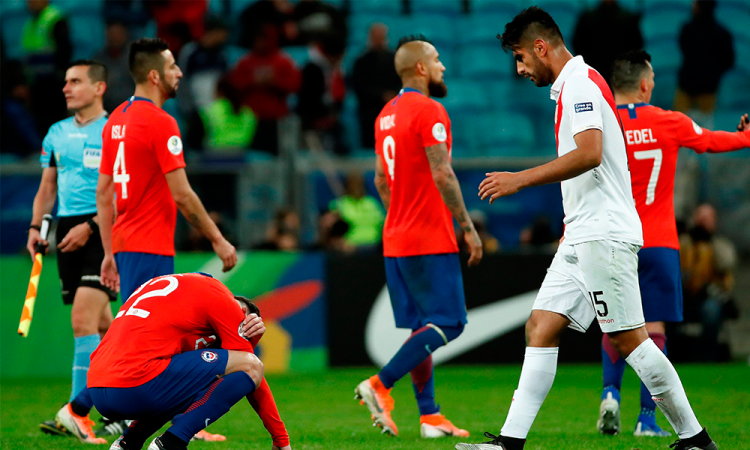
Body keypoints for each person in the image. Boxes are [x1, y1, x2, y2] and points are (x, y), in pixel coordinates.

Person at [456, 8, 718, 450]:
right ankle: (509, 443)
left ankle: (696, 439)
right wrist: (568, 224)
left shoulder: (580, 83)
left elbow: (590, 153)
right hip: (582, 232)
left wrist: (520, 179)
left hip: (603, 232)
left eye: (520, 57)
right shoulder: (575, 84)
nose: (519, 69)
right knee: (540, 325)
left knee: (630, 340)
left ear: (541, 47)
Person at [599, 49, 750, 437]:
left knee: (615, 324)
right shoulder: (669, 121)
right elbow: (712, 142)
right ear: (645, 84)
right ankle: (646, 420)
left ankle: (610, 395)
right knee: (653, 329)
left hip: (613, 240)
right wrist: (745, 136)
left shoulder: (600, 124)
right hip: (658, 242)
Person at [355, 34, 483, 439]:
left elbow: (381, 179)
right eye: (437, 59)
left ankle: (430, 417)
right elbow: (442, 173)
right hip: (428, 236)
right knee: (451, 322)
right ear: (422, 68)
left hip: (396, 237)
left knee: (422, 328)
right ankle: (379, 384)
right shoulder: (429, 110)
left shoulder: (385, 115)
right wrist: (468, 227)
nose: (443, 66)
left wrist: (400, 213)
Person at [55, 272, 292, 450]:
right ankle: (171, 443)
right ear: (242, 310)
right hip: (135, 386)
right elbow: (250, 367)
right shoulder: (224, 300)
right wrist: (281, 439)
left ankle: (128, 443)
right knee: (251, 366)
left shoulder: (180, 292)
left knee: (186, 379)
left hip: (98, 391)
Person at [97, 37, 237, 303]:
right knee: (148, 326)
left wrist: (107, 253)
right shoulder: (161, 123)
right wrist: (217, 239)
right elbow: (182, 194)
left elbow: (104, 193)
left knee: (138, 321)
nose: (179, 72)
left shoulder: (115, 119)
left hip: (124, 246)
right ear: (154, 76)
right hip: (150, 247)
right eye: (172, 66)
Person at [26, 60, 117, 438]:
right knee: (108, 328)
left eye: (76, 81)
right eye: (66, 82)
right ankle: (126, 408)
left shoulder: (114, 130)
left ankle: (76, 414)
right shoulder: (56, 133)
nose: (66, 88)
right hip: (67, 230)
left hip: (104, 228)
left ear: (99, 88)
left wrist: (91, 227)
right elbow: (48, 187)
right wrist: (36, 227)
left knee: (82, 320)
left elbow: (122, 192)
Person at [228, 24, 301, 154]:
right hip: (249, 120)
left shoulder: (283, 61)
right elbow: (234, 85)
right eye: (258, 39)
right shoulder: (246, 62)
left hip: (276, 120)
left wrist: (274, 81)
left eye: (264, 39)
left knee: (276, 155)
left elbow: (295, 85)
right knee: (252, 156)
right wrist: (253, 80)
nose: (260, 42)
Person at [680, 204, 740, 361]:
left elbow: (726, 264)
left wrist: (709, 243)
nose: (703, 222)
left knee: (711, 311)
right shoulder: (684, 242)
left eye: (707, 219)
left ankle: (707, 355)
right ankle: (672, 353)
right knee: (666, 309)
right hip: (684, 297)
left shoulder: (720, 245)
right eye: (700, 218)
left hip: (707, 299)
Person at [674, 0, 734, 127]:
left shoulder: (689, 30)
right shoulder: (720, 32)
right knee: (701, 128)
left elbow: (728, 61)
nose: (692, 6)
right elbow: (729, 61)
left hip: (699, 87)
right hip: (696, 87)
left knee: (684, 126)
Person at [21, 0, 72, 134]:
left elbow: (64, 52)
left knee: (55, 128)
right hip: (36, 87)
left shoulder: (54, 18)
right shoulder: (30, 23)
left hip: (53, 89)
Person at [352, 23, 401, 148]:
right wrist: (381, 95)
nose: (379, 40)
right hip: (369, 112)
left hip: (393, 110)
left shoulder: (396, 60)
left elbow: (403, 82)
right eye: (376, 37)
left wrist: (393, 94)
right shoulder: (361, 62)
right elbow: (360, 86)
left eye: (381, 37)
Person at [571, 0, 643, 84]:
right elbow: (579, 45)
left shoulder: (628, 19)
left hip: (619, 77)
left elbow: (636, 47)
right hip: (596, 76)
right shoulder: (587, 18)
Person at [329, 172, 385, 248]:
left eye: (359, 184)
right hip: (351, 246)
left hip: (375, 245)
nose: (356, 188)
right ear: (347, 186)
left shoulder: (372, 203)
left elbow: (383, 224)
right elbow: (331, 230)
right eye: (353, 185)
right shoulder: (339, 204)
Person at [94, 20, 134, 113]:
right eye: (112, 33)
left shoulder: (136, 58)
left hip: (132, 109)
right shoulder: (98, 60)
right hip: (107, 110)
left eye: (118, 33)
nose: (115, 37)